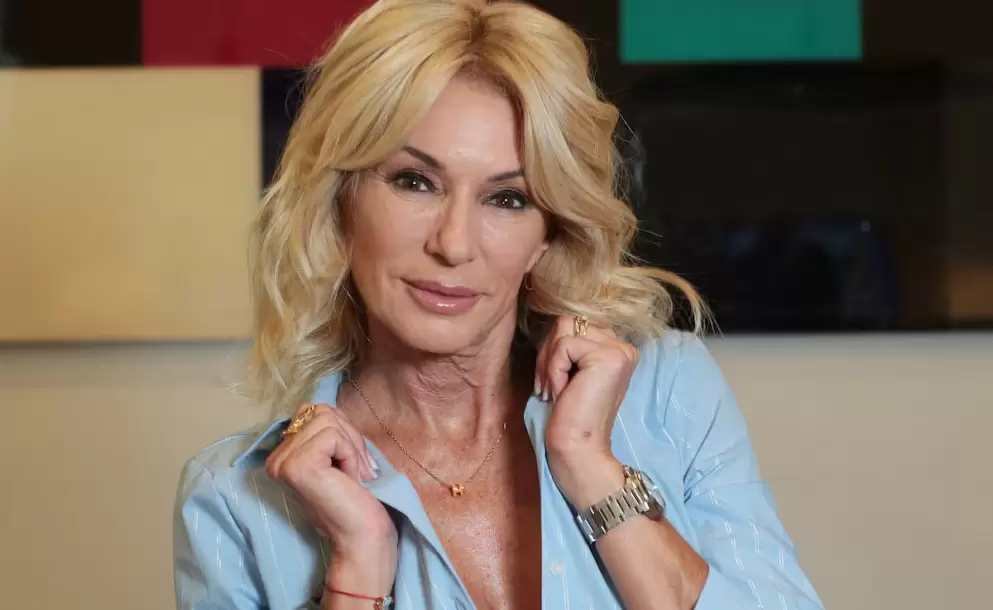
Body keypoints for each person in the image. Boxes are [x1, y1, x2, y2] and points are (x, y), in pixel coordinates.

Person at [173, 0, 823, 608]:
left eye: (508, 199)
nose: (454, 244)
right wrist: (357, 568)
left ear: (548, 234)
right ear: (341, 203)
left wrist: (590, 468)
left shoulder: (665, 390)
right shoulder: (235, 499)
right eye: (414, 181)